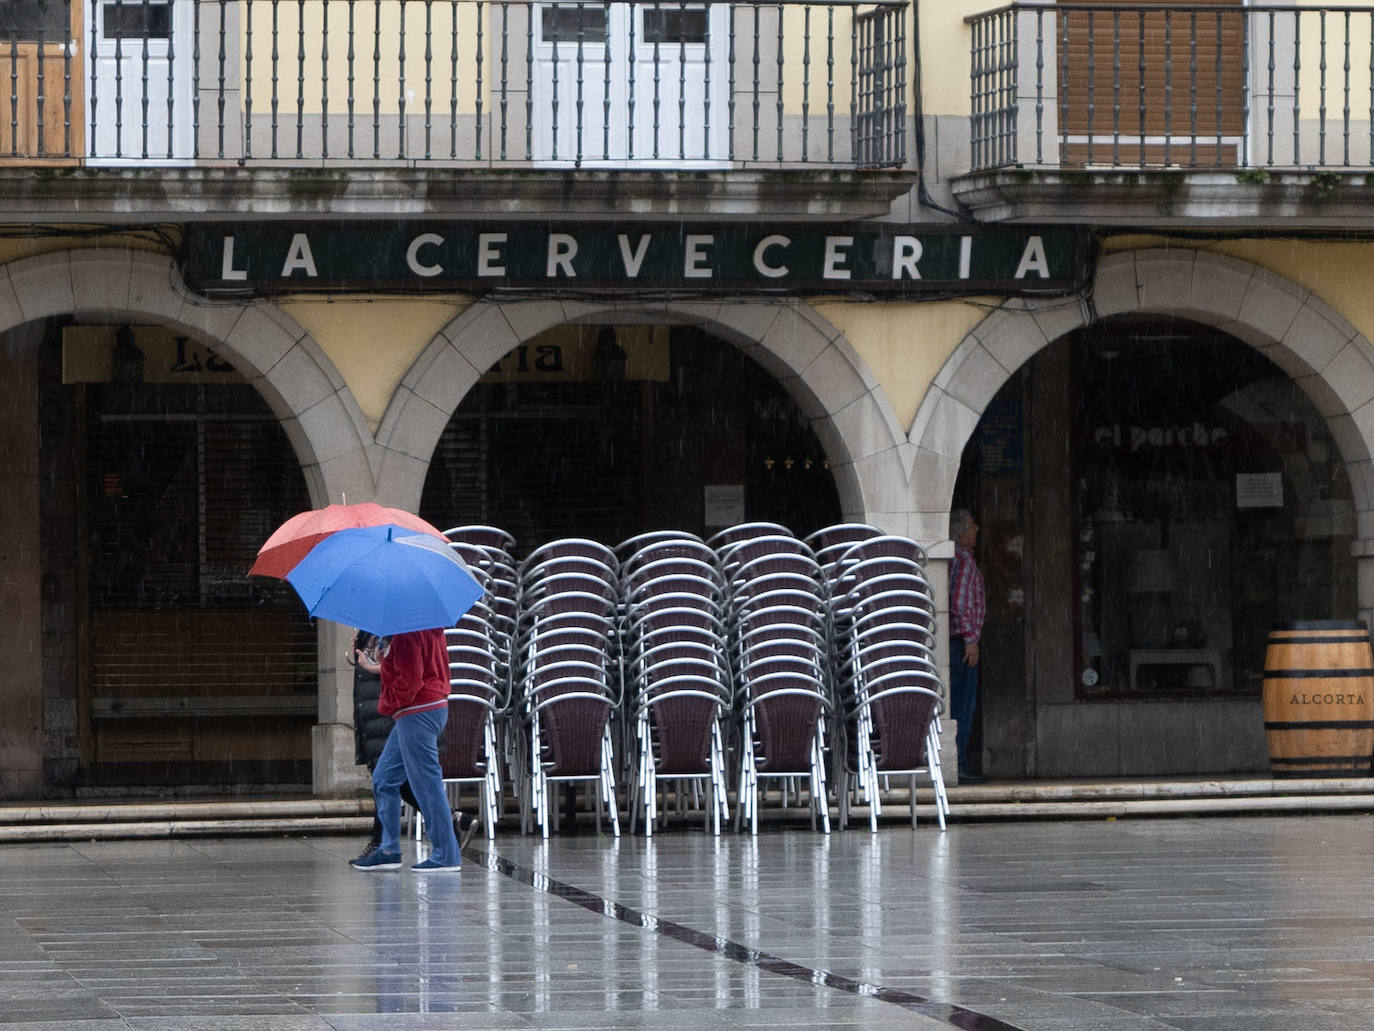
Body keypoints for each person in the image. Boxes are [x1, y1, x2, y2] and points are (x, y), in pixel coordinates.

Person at [350, 632, 478, 858]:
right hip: (418, 709)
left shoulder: (408, 631)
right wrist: (381, 662)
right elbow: (407, 668)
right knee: (385, 778)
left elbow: (410, 679)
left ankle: (446, 853)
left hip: (418, 709)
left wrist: (387, 703)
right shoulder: (413, 628)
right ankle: (388, 849)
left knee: (426, 784)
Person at [948, 508, 986, 784]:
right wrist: (970, 640)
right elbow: (959, 604)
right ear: (961, 532)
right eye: (973, 526)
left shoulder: (955, 560)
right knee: (964, 704)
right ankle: (959, 764)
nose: (977, 530)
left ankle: (960, 762)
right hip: (960, 643)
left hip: (955, 641)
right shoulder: (964, 562)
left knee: (961, 703)